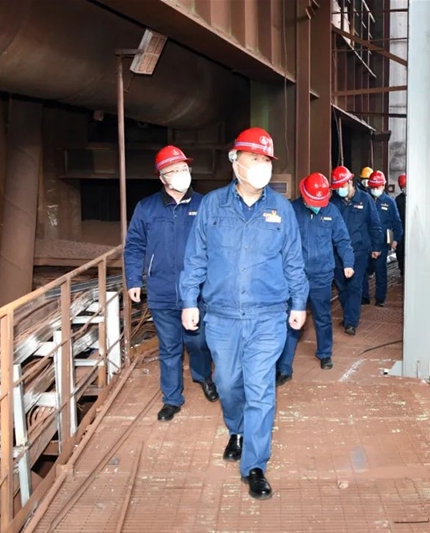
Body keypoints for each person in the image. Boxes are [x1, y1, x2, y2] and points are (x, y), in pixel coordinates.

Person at [179, 127, 308, 500]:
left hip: (268, 316)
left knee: (260, 389)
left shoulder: (281, 209)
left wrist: (299, 303)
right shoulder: (212, 207)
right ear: (236, 162)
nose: (262, 165)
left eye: (266, 160)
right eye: (255, 158)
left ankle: (255, 464)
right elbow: (196, 257)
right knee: (227, 384)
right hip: (221, 317)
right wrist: (189, 301)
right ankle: (236, 428)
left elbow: (293, 261)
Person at [124, 145, 218, 422]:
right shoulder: (147, 208)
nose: (181, 173)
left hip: (197, 291)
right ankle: (172, 398)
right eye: (174, 170)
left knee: (199, 341)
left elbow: (217, 246)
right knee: (169, 346)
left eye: (184, 168)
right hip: (162, 289)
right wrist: (134, 279)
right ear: (162, 177)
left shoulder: (204, 205)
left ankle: (203, 376)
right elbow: (134, 246)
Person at [276, 173, 354, 385]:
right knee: (291, 318)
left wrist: (348, 262)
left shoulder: (331, 211)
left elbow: (342, 239)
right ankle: (284, 367)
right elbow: (279, 241)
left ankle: (325, 353)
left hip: (321, 275)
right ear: (304, 195)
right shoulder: (292, 210)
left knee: (322, 316)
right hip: (296, 276)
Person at [329, 165, 382, 335]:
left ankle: (351, 322)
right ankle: (348, 314)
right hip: (338, 253)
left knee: (355, 286)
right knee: (342, 287)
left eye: (342, 186)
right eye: (337, 187)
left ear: (350, 182)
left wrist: (376, 247)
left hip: (359, 251)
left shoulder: (365, 199)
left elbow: (375, 225)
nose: (340, 190)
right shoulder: (333, 202)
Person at [361, 170, 403, 306]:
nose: (374, 189)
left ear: (383, 186)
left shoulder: (389, 202)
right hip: (366, 242)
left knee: (380, 271)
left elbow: (397, 222)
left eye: (377, 187)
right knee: (363, 269)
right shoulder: (365, 200)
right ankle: (364, 296)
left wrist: (396, 239)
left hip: (381, 243)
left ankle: (380, 298)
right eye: (372, 187)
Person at [395, 173, 406, 278]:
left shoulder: (416, 198)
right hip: (401, 230)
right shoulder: (398, 200)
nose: (404, 188)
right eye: (402, 187)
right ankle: (403, 272)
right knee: (400, 252)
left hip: (412, 231)